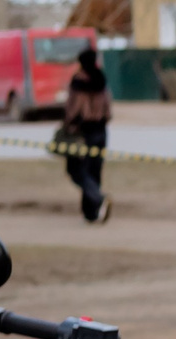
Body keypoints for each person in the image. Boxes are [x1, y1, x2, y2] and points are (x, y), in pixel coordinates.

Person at [60, 46, 111, 224]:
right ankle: (90, 212)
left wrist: (68, 125)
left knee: (76, 170)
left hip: (82, 131)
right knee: (94, 171)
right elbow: (108, 108)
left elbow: (74, 108)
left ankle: (97, 198)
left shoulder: (79, 80)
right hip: (101, 130)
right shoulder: (101, 78)